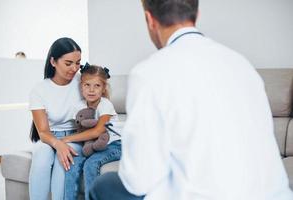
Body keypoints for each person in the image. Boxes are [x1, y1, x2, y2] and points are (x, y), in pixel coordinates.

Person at [90, 0, 293, 200]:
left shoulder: (149, 72)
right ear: (197, 14)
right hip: (273, 195)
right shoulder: (242, 65)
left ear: (150, 19)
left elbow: (139, 179)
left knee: (104, 184)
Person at [28, 37, 83, 200]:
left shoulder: (83, 82)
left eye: (78, 62)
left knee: (63, 162)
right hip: (49, 138)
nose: (74, 68)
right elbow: (43, 132)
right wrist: (58, 144)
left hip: (75, 137)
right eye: (68, 63)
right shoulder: (39, 90)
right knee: (41, 155)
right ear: (53, 61)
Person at [63, 64, 122, 200]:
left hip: (115, 145)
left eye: (97, 86)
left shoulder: (105, 104)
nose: (91, 90)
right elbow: (79, 129)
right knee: (73, 163)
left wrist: (67, 139)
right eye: (87, 85)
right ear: (81, 86)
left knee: (91, 164)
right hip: (91, 145)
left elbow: (98, 131)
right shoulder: (79, 106)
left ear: (103, 88)